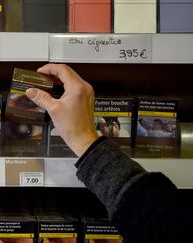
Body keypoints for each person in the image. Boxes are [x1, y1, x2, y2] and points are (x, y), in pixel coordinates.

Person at [25, 64, 193, 243]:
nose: (108, 127)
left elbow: (163, 223)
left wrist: (85, 139)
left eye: (112, 125)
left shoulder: (126, 135)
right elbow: (164, 221)